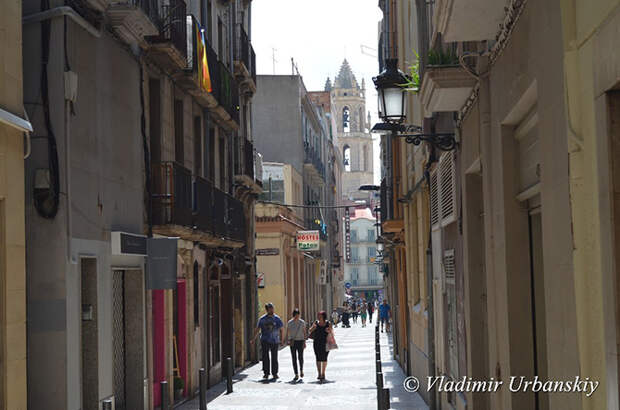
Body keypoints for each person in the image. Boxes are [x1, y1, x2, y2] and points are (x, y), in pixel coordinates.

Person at [251, 302, 284, 379]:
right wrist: (253, 339)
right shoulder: (262, 319)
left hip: (275, 340)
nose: (272, 310)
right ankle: (266, 373)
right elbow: (257, 329)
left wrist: (282, 340)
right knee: (265, 357)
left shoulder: (277, 319)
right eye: (270, 308)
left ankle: (275, 373)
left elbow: (282, 329)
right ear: (267, 310)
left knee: (274, 357)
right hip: (265, 340)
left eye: (272, 308)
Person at [308, 311, 333, 382]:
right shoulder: (316, 323)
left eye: (320, 315)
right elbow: (309, 330)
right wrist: (313, 328)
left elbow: (332, 332)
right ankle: (319, 373)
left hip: (326, 343)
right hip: (317, 343)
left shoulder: (328, 323)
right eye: (318, 315)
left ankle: (323, 373)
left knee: (324, 358)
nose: (318, 317)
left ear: (323, 316)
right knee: (318, 357)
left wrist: (329, 331)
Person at [285, 308, 307, 381]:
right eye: (296, 315)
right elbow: (288, 332)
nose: (297, 317)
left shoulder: (302, 322)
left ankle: (301, 370)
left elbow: (304, 332)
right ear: (293, 315)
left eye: (298, 315)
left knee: (300, 357)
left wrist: (304, 342)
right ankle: (296, 373)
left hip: (300, 341)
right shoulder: (290, 322)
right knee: (293, 358)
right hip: (293, 342)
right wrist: (288, 340)